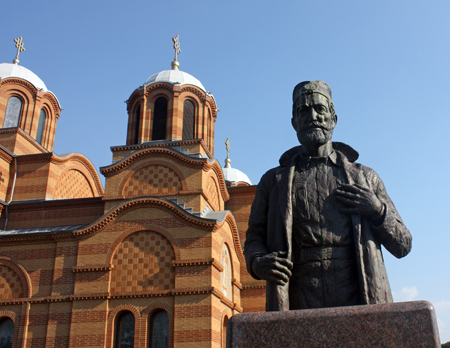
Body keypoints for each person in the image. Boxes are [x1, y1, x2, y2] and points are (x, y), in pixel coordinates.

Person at [244, 81, 412, 311]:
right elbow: (254, 237)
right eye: (303, 111)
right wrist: (256, 262)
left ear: (333, 119)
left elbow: (403, 244)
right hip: (298, 295)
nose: (312, 116)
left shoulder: (365, 177)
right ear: (295, 123)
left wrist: (377, 210)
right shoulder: (273, 182)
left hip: (358, 292)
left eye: (320, 109)